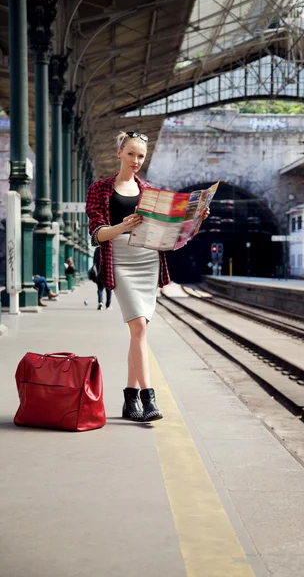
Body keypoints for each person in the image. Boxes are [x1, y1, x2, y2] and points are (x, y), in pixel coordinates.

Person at [86, 130, 210, 422]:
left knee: (137, 332)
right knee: (139, 327)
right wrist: (122, 226)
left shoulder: (151, 192)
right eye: (131, 154)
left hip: (148, 259)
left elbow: (172, 237)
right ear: (119, 153)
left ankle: (130, 401)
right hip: (120, 260)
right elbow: (96, 234)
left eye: (141, 156)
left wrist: (195, 221)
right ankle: (148, 396)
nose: (136, 160)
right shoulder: (100, 189)